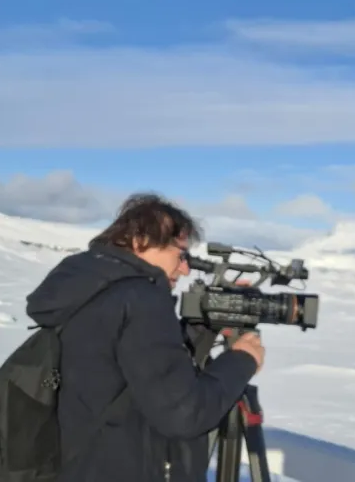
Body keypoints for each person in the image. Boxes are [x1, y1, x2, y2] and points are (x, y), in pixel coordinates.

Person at [25, 192, 265, 482]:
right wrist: (241, 360)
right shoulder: (143, 298)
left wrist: (202, 327)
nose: (185, 268)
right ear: (140, 241)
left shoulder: (91, 287)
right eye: (181, 254)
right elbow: (184, 414)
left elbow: (128, 362)